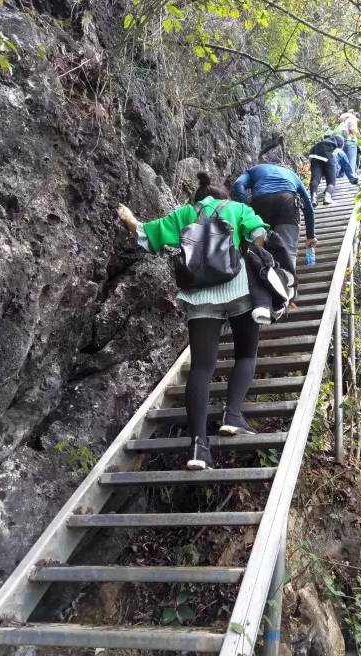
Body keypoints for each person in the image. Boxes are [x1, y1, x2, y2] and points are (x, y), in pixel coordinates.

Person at [117, 172, 269, 471]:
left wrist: (129, 218)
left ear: (197, 198)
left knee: (201, 368)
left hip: (198, 296)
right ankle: (233, 415)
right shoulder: (237, 208)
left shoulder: (185, 213)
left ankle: (198, 447)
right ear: (222, 195)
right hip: (237, 289)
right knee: (246, 353)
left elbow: (147, 234)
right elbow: (258, 234)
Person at [232, 163, 316, 270]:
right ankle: (289, 284)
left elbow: (238, 184)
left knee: (261, 247)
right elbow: (307, 205)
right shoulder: (291, 174)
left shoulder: (253, 170)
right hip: (288, 200)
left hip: (261, 201)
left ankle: (266, 280)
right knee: (288, 250)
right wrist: (310, 235)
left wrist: (245, 208)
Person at [309, 134, 357, 206]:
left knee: (315, 180)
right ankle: (327, 198)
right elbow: (346, 165)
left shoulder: (319, 147)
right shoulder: (339, 151)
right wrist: (352, 179)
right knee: (331, 183)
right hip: (330, 165)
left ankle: (313, 198)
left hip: (315, 159)